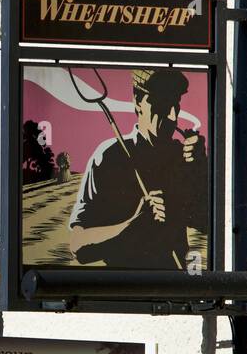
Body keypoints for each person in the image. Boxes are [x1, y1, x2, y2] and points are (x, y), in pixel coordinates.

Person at [67, 68, 208, 270]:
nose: (172, 116)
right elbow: (78, 247)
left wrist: (200, 168)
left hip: (175, 291)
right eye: (163, 103)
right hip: (124, 293)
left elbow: (207, 224)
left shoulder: (183, 158)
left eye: (176, 105)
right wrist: (132, 224)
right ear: (138, 101)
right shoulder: (109, 157)